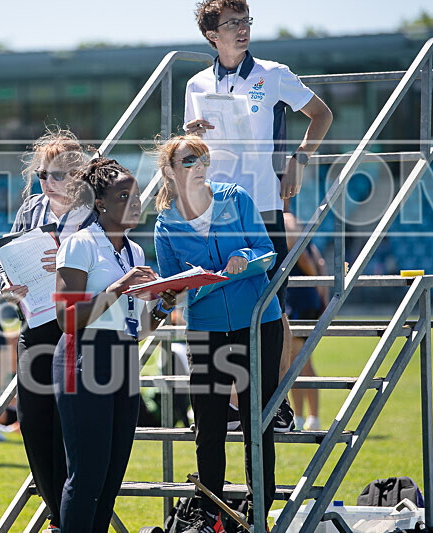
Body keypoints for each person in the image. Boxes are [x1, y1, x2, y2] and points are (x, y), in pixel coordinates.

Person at [184, 0, 333, 432]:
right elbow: (191, 154)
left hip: (264, 206)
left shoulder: (274, 73)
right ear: (213, 34)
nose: (242, 29)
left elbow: (321, 114)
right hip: (217, 210)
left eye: (245, 20)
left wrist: (301, 160)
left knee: (272, 308)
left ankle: (277, 402)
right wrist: (189, 137)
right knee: (220, 305)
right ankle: (231, 403)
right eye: (231, 23)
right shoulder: (196, 84)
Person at [154, 135, 283, 531]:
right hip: (205, 331)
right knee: (208, 427)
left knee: (255, 423)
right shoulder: (165, 223)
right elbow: (170, 287)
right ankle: (209, 513)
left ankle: (256, 512)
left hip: (258, 323)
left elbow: (267, 252)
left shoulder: (236, 197)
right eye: (188, 159)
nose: (198, 164)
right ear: (170, 172)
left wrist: (246, 258)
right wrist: (177, 292)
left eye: (202, 157)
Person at [53, 157, 179, 533]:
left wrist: (162, 307)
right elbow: (66, 319)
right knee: (87, 475)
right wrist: (117, 288)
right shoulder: (79, 244)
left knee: (110, 478)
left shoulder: (135, 252)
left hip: (123, 359)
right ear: (100, 203)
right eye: (124, 195)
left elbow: (137, 328)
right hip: (83, 359)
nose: (136, 201)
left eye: (137, 194)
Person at [0, 128, 93, 531]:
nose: (45, 183)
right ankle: (57, 516)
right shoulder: (31, 209)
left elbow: (111, 263)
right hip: (34, 324)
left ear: (77, 175)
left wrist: (69, 266)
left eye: (54, 175)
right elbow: (6, 255)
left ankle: (68, 519)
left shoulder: (94, 211)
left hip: (76, 328)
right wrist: (5, 281)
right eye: (41, 174)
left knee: (68, 426)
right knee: (33, 423)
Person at [283, 211, 328, 431]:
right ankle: (310, 416)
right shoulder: (297, 221)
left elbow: (302, 256)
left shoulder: (285, 219)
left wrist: (314, 283)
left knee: (297, 362)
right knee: (302, 361)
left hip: (299, 298)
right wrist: (321, 292)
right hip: (306, 299)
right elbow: (319, 259)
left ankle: (302, 417)